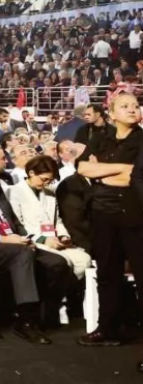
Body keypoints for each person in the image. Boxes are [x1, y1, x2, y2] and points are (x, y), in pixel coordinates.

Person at [0, 155, 73, 345]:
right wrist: (5, 239)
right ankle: (26, 320)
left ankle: (40, 315)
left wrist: (27, 238)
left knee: (57, 263)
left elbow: (13, 220)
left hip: (13, 240)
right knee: (23, 254)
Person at [76, 92, 143, 349]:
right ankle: (107, 329)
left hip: (135, 215)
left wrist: (101, 172)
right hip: (102, 215)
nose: (133, 109)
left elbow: (135, 178)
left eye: (136, 105)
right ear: (112, 114)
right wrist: (122, 169)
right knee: (106, 273)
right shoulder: (101, 138)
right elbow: (83, 168)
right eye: (125, 106)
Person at [9, 155, 92, 280]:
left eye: (50, 180)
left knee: (84, 260)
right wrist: (43, 239)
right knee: (64, 261)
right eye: (44, 179)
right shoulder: (14, 192)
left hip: (54, 240)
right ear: (31, 173)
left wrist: (63, 236)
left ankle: (66, 289)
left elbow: (57, 220)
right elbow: (18, 225)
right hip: (33, 241)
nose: (46, 183)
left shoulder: (50, 192)